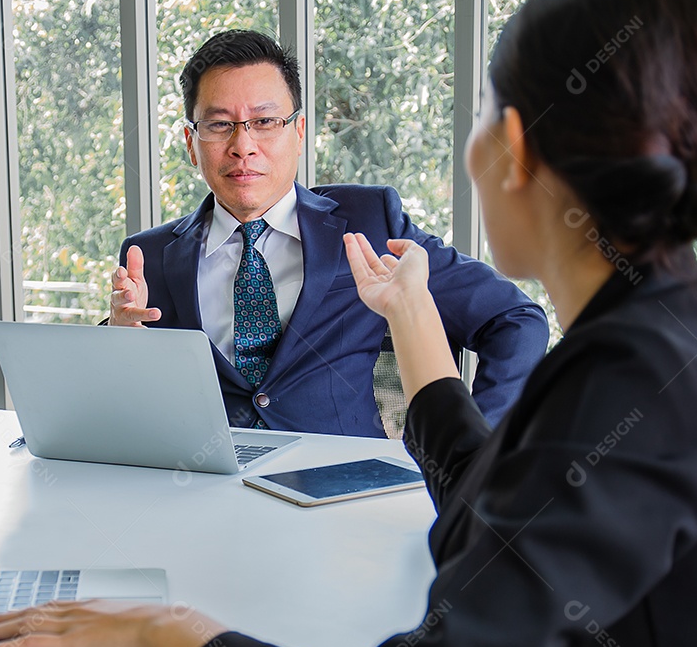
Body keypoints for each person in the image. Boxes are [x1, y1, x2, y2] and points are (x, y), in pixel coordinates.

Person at [0, 0, 697, 647]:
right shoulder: (682, 326)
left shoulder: (623, 378)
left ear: (512, 148)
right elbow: (500, 535)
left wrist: (179, 635)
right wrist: (414, 326)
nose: (244, 144)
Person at [104, 29, 548, 435]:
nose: (243, 145)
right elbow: (113, 404)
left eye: (264, 122)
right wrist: (116, 343)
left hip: (339, 498)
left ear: (298, 132)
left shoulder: (369, 221)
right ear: (190, 143)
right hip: (200, 494)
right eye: (220, 125)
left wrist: (475, 452)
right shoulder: (150, 256)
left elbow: (514, 320)